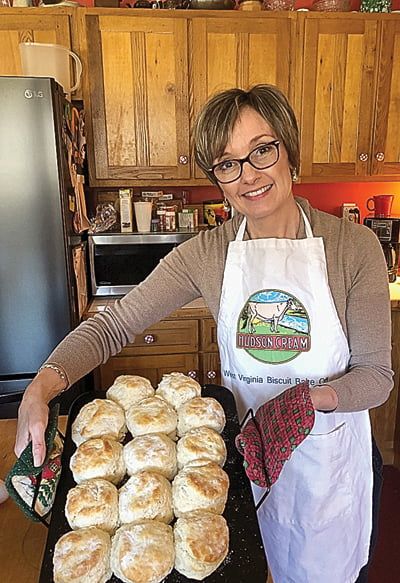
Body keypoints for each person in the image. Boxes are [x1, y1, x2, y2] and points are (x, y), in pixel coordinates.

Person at [15, 85, 392, 582]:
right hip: (228, 467)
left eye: (262, 149)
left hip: (325, 462)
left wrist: (310, 400)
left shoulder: (352, 245)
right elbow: (115, 324)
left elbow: (376, 377)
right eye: (227, 163)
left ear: (289, 150)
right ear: (217, 178)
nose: (249, 175)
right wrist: (42, 386)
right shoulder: (207, 253)